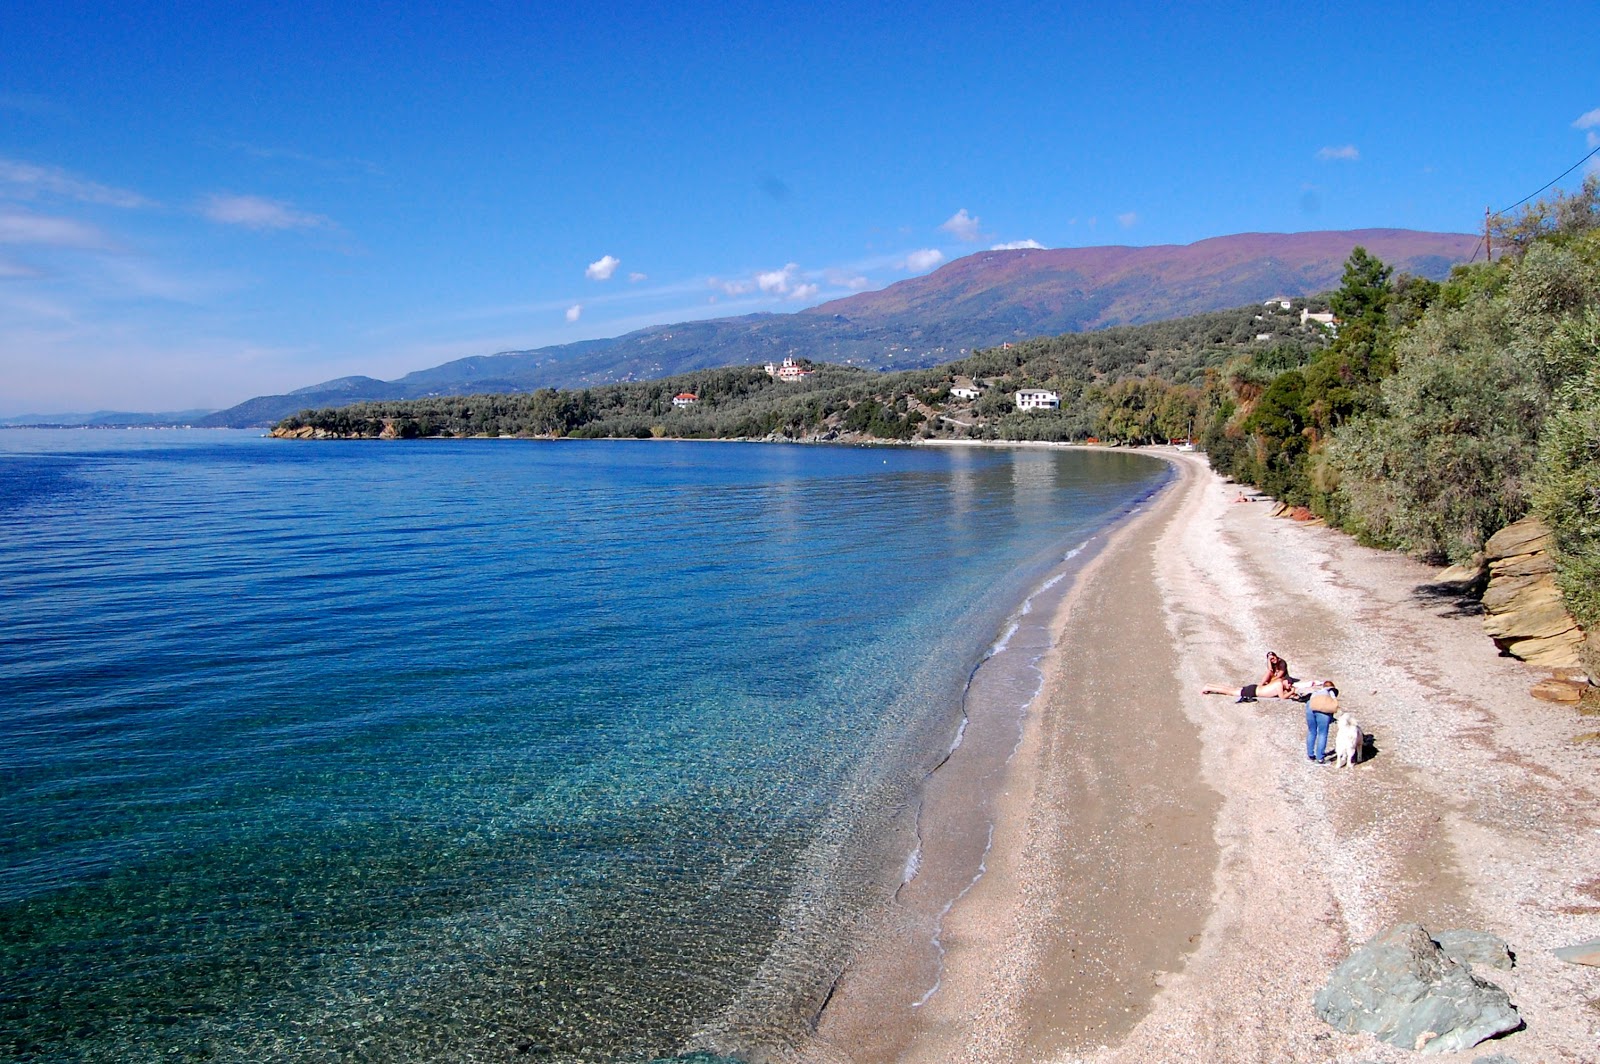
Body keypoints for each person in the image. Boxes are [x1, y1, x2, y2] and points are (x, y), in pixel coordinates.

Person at [1201, 651, 1295, 701]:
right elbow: (1282, 697)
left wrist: (1290, 690)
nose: (1290, 685)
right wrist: (1292, 692)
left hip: (1255, 688)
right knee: (1230, 692)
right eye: (1289, 684)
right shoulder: (1279, 684)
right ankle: (1208, 687)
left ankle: (1209, 686)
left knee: (1232, 689)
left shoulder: (1278, 683)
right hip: (1253, 691)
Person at [1303, 681, 1340, 763]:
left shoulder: (1317, 691)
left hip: (1310, 706)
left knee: (1311, 731)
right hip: (1322, 708)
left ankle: (1310, 755)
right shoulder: (1331, 691)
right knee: (1322, 733)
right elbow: (1333, 704)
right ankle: (1320, 758)